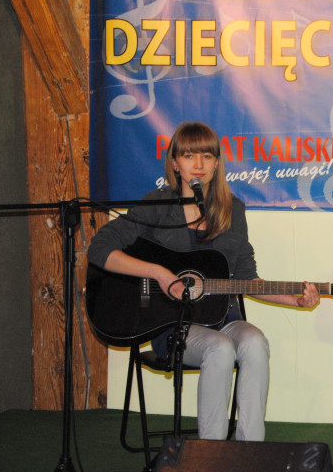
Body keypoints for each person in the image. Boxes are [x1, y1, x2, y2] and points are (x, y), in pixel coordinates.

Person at [87, 121, 319, 442]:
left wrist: (296, 299)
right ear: (174, 163)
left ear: (217, 163)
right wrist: (159, 273)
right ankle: (211, 454)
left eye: (207, 156)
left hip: (222, 318)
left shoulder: (232, 210)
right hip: (169, 324)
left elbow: (247, 277)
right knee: (220, 348)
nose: (198, 164)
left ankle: (250, 448)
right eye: (189, 156)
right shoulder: (158, 206)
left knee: (254, 341)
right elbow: (99, 249)